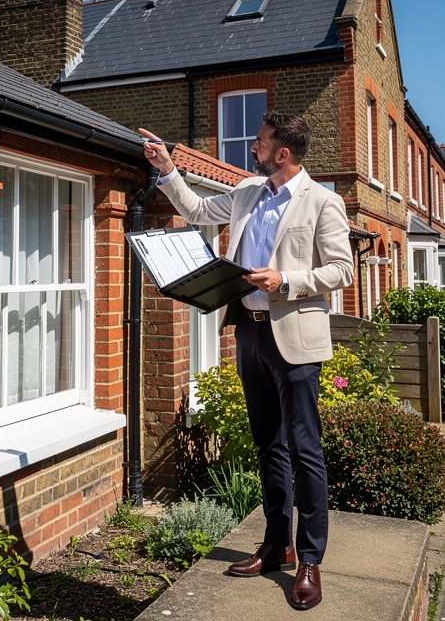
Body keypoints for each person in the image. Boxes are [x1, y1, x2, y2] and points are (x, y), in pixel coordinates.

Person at [139, 113, 354, 610]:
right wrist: (167, 168)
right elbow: (195, 209)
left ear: (283, 153)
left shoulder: (324, 201)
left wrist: (288, 281)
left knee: (306, 450)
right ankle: (276, 544)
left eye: (260, 143)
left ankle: (310, 559)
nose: (252, 148)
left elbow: (341, 269)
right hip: (250, 336)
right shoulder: (247, 192)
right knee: (269, 447)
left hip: (295, 338)